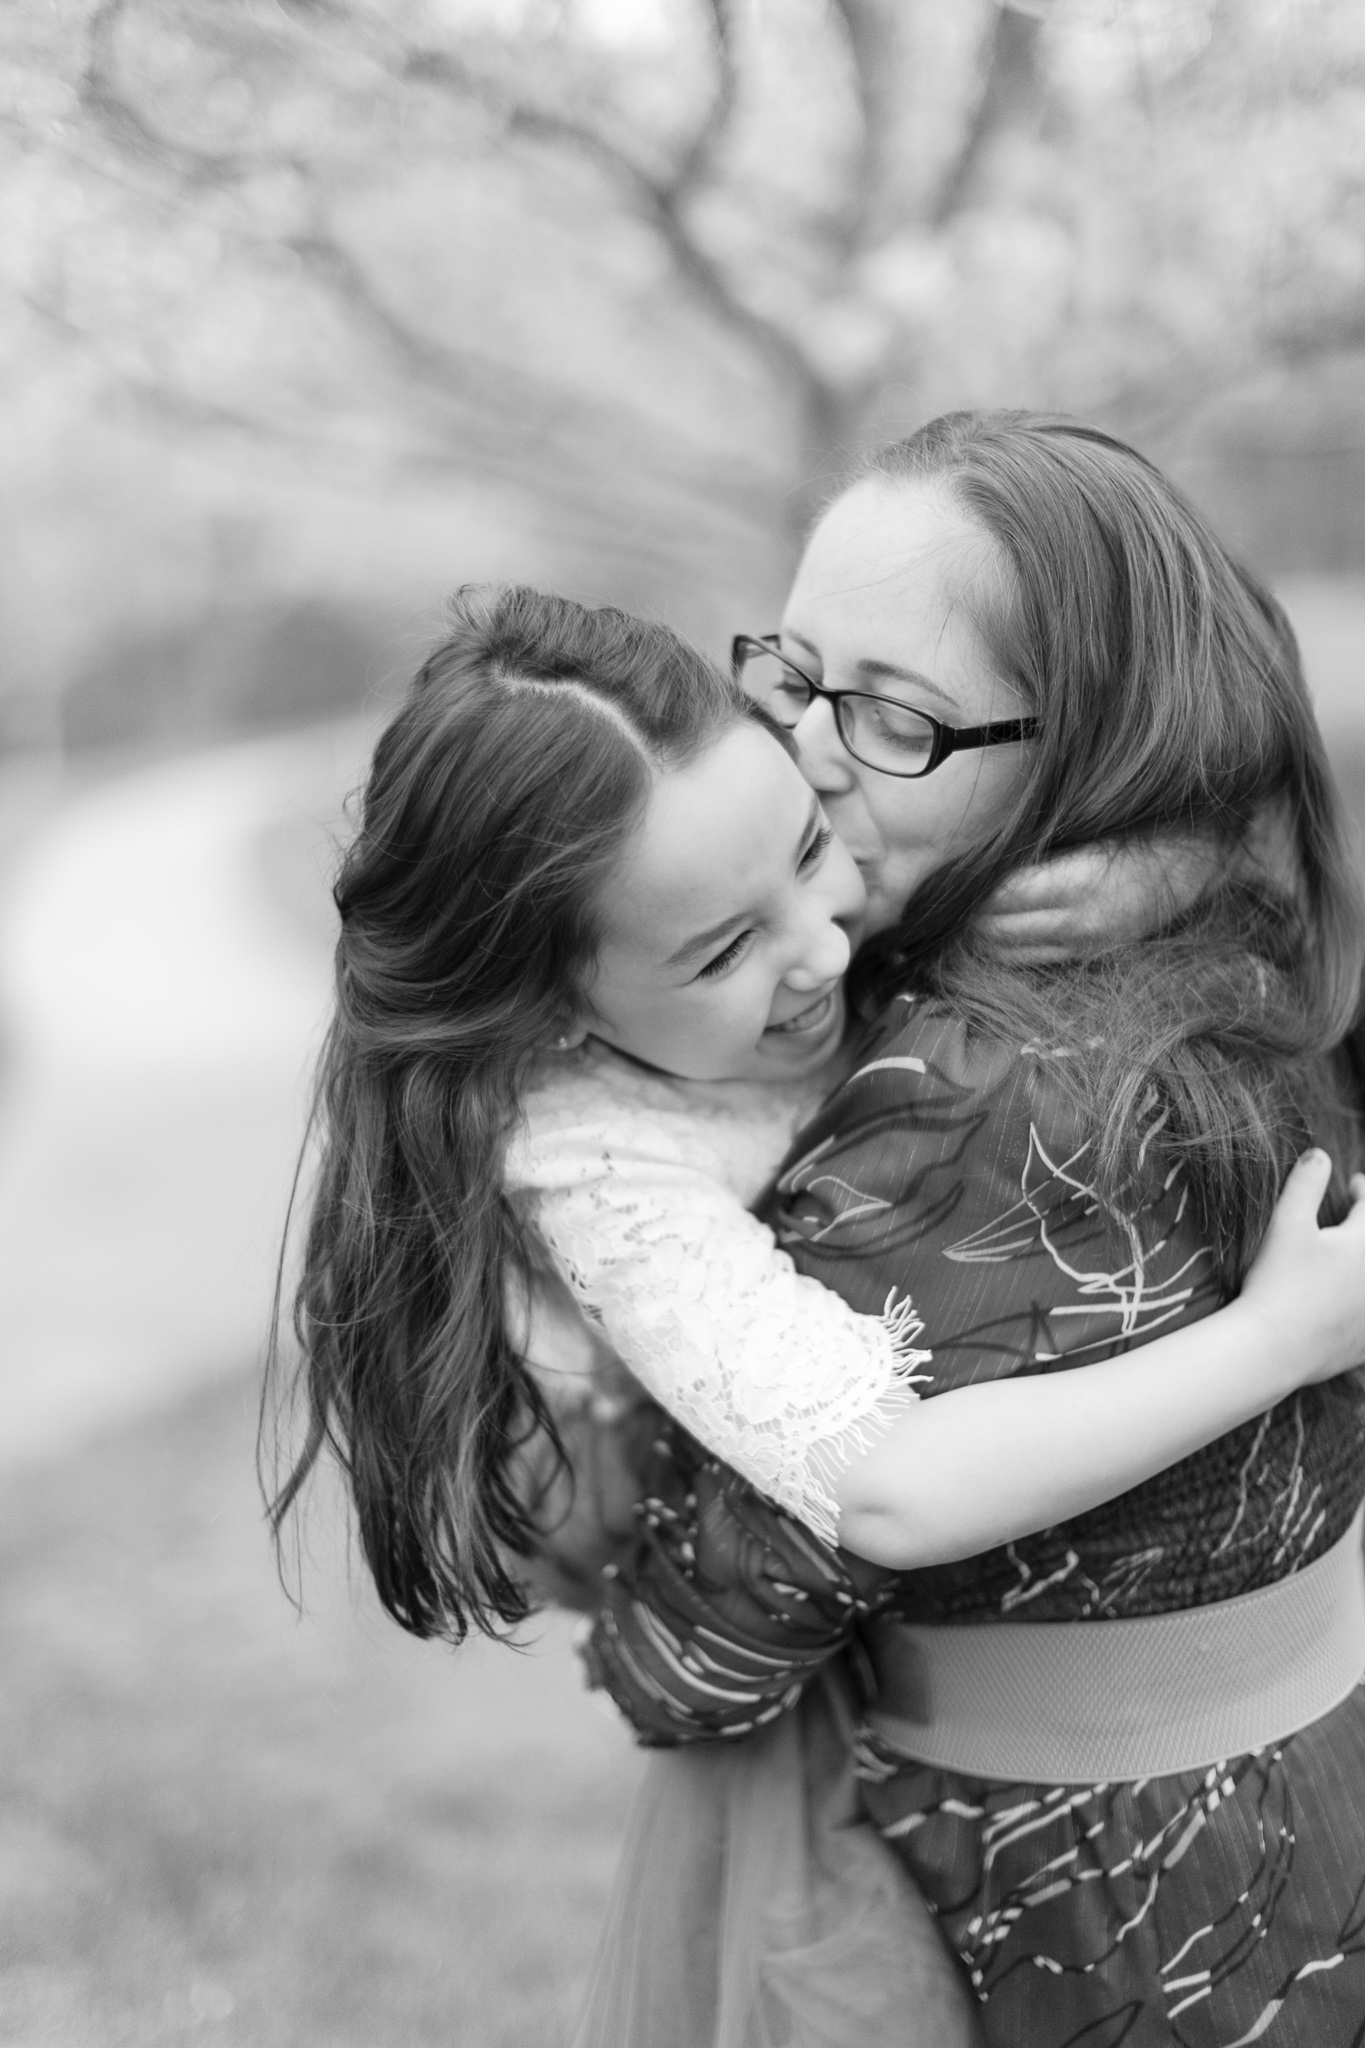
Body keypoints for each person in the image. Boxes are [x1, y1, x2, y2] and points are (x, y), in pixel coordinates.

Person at [264, 567, 1365, 2044]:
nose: (823, 948)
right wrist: (1277, 1339)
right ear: (551, 1010)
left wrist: (1159, 873)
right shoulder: (596, 1163)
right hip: (786, 1710)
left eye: (805, 847)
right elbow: (893, 1493)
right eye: (723, 951)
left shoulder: (788, 922)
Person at [580, 411, 1365, 2045]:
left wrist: (596, 1544)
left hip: (1083, 1902)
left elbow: (708, 1649)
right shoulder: (1247, 937)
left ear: (1099, 743)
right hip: (1287, 1810)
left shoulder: (961, 1101)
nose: (795, 747)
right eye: (791, 672)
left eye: (888, 714)